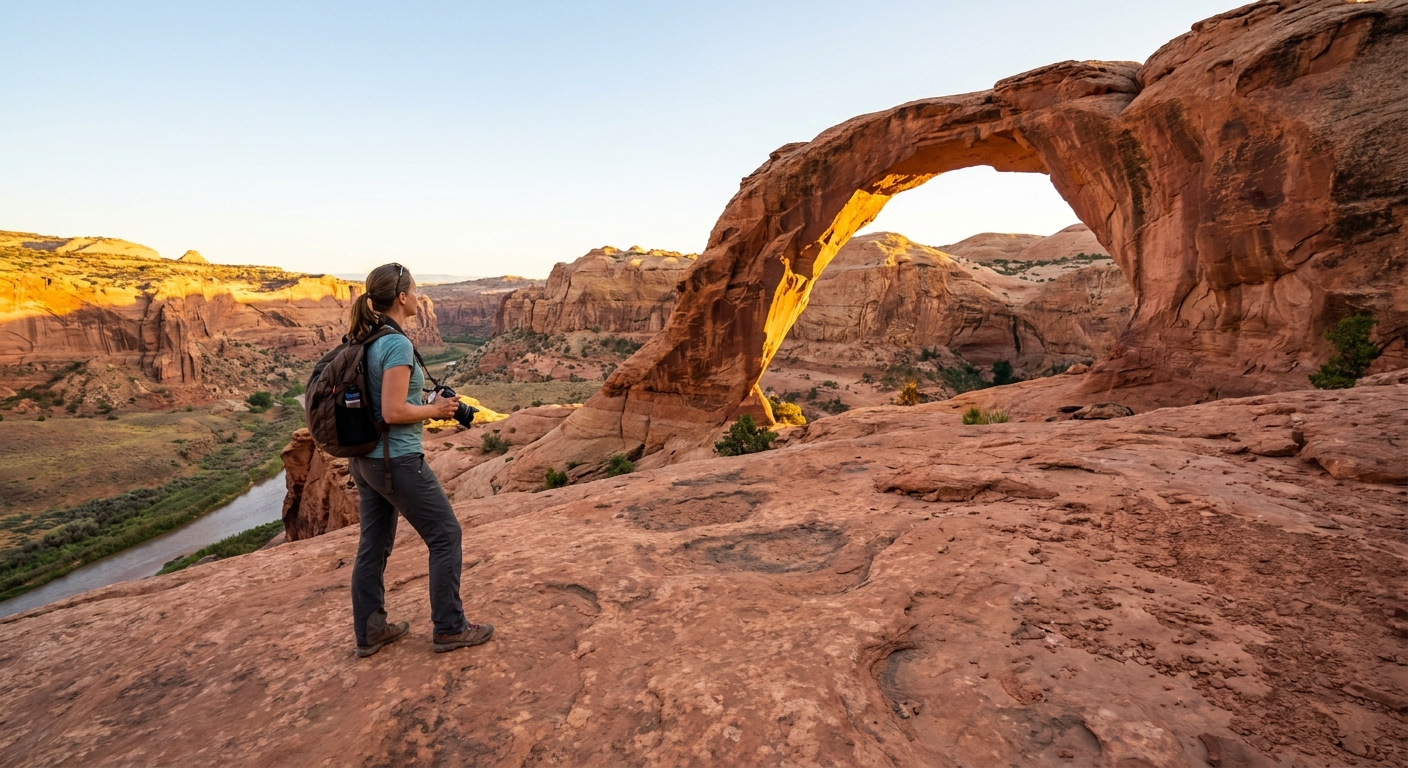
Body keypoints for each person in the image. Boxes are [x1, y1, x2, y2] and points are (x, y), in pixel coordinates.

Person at [345, 262, 494, 657]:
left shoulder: (368, 336)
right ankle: (449, 628)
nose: (418, 295)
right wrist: (437, 411)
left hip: (365, 460)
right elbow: (393, 412)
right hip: (395, 460)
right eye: (415, 289)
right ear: (402, 297)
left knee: (373, 545)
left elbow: (384, 403)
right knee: (446, 536)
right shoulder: (395, 344)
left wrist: (427, 402)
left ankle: (371, 632)